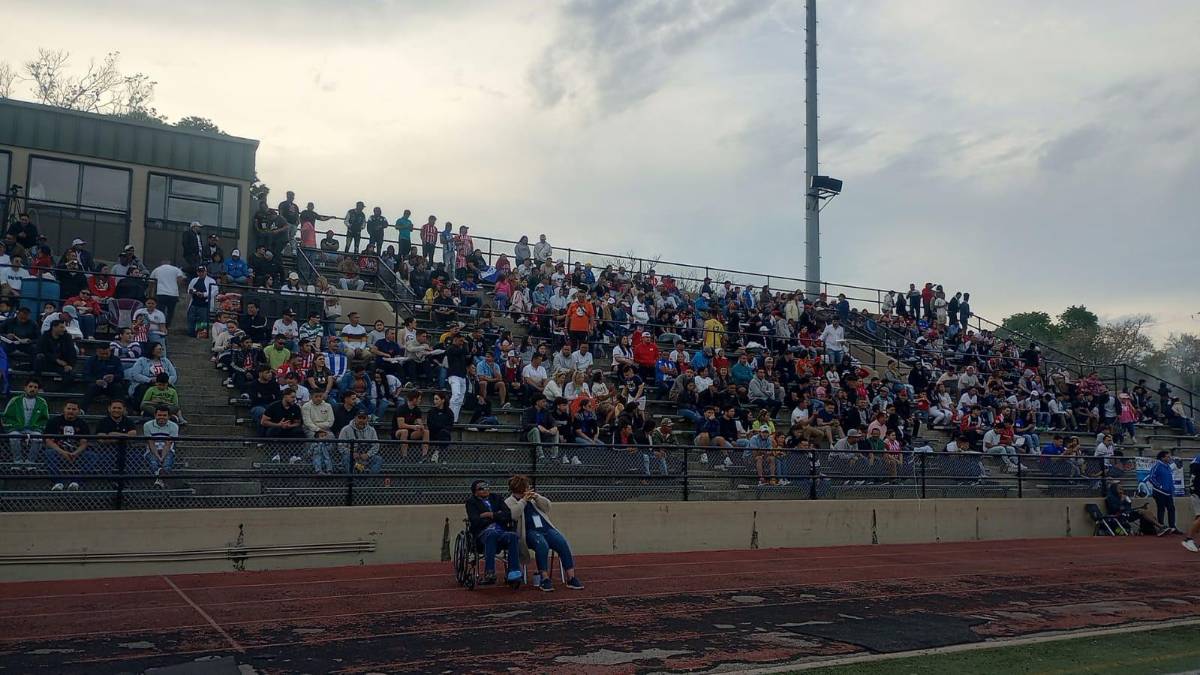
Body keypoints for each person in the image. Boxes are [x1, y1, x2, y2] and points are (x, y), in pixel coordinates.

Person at [505, 474, 584, 591]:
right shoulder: (509, 501)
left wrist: (536, 497)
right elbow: (513, 515)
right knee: (542, 545)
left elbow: (547, 507)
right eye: (527, 487)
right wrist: (523, 501)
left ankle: (571, 577)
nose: (529, 488)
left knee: (562, 542)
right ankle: (544, 578)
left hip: (546, 528)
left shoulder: (533, 499)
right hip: (529, 532)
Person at [465, 479, 524, 586]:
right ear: (475, 492)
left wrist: (489, 514)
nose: (485, 489)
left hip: (501, 531)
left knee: (513, 536)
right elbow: (475, 521)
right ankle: (489, 573)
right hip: (483, 534)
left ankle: (514, 572)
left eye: (487, 486)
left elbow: (507, 515)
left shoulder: (496, 498)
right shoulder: (471, 502)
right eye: (481, 488)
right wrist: (498, 515)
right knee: (491, 533)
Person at [43, 402, 93, 491]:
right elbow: (48, 441)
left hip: (76, 454)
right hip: (58, 452)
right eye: (69, 409)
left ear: (78, 411)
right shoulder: (54, 421)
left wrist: (75, 453)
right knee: (49, 453)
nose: (71, 411)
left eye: (74, 409)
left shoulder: (82, 424)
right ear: (64, 409)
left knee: (92, 456)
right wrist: (62, 452)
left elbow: (84, 443)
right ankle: (58, 483)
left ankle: (76, 482)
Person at [3, 379, 49, 467]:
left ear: (38, 390)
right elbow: (6, 417)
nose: (33, 389)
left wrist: (37, 428)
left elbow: (45, 419)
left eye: (36, 387)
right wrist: (14, 426)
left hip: (34, 429)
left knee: (37, 438)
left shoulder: (42, 402)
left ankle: (30, 463)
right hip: (16, 428)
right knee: (14, 437)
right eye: (30, 386)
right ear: (25, 388)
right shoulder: (15, 400)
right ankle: (17, 462)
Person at [143, 405, 179, 488]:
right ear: (155, 415)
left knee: (167, 463)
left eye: (164, 415)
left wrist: (162, 457)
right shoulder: (147, 425)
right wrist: (158, 457)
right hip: (152, 450)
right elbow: (150, 443)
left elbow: (168, 444)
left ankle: (158, 481)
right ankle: (161, 480)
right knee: (153, 462)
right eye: (159, 415)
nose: (161, 417)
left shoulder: (174, 426)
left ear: (169, 416)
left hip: (168, 450)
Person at [338, 408, 383, 473]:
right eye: (359, 418)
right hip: (351, 457)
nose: (361, 420)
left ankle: (369, 480)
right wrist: (351, 453)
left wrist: (368, 454)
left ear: (367, 419)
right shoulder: (345, 429)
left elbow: (376, 445)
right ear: (355, 418)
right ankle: (353, 480)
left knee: (378, 459)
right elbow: (340, 446)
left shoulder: (372, 430)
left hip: (366, 457)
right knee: (346, 458)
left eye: (364, 418)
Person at [1146, 450, 1179, 534]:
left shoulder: (1167, 466)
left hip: (1168, 492)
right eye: (1167, 457)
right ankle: (1161, 527)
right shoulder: (1157, 465)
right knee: (1161, 509)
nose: (1169, 458)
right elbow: (1151, 477)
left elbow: (1169, 479)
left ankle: (1172, 527)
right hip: (1159, 492)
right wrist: (1159, 486)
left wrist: (1171, 489)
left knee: (1171, 508)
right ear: (1162, 457)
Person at [148, 259, 187, 324]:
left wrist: (151, 295)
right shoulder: (176, 269)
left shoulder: (157, 269)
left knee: (160, 311)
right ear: (169, 263)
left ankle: (160, 325)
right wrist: (176, 287)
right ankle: (167, 325)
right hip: (173, 294)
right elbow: (180, 279)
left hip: (161, 293)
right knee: (170, 312)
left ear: (161, 263)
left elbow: (151, 283)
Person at [1184, 456, 1200, 552]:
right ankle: (1188, 539)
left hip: (1195, 493)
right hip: (1198, 494)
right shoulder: (1197, 469)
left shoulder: (1195, 466)